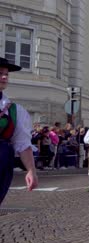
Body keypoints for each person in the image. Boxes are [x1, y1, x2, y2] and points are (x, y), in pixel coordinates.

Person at [0, 57, 38, 205]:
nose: (4, 77)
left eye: (6, 74)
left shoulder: (15, 110)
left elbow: (22, 143)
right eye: (0, 73)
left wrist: (31, 170)